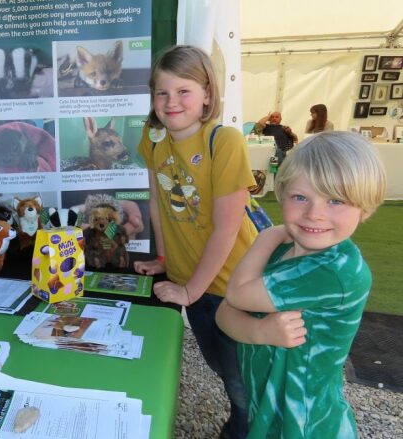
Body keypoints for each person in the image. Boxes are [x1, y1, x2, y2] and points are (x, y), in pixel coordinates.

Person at [215, 131, 386, 437]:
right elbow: (223, 314)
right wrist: (259, 330)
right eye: (300, 197)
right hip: (269, 399)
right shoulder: (284, 250)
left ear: (365, 207)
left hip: (302, 422)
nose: (314, 213)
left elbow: (236, 295)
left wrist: (267, 235)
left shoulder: (336, 271)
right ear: (283, 194)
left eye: (336, 200)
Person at [133, 45, 258, 439]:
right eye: (162, 93)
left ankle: (246, 428)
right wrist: (165, 258)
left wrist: (190, 289)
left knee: (242, 380)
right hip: (193, 283)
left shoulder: (225, 142)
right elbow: (158, 201)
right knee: (221, 366)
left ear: (207, 94)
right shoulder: (152, 138)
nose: (171, 102)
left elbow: (226, 228)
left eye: (183, 91)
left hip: (236, 287)